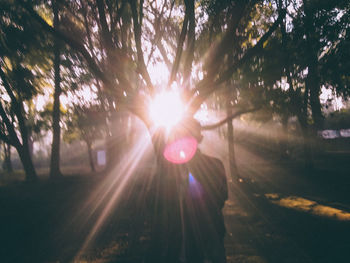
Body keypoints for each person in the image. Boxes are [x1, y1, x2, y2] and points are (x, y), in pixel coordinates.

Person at [146, 117, 228, 263]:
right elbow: (222, 197)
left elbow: (152, 203)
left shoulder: (167, 169)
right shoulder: (215, 165)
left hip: (183, 239)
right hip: (208, 235)